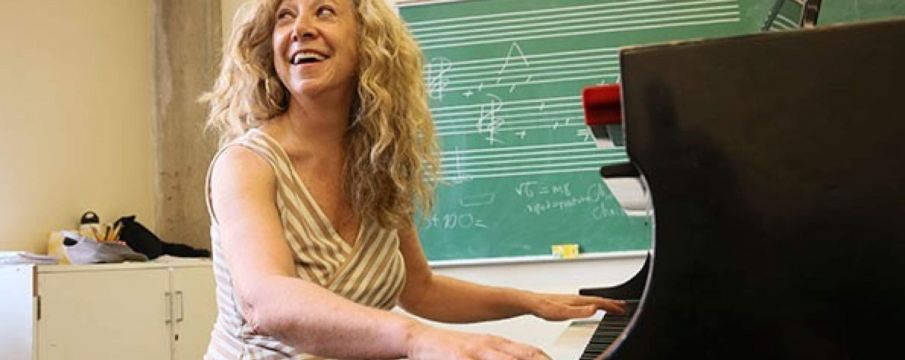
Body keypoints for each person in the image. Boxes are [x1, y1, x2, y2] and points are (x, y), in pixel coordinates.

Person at [201, 0, 626, 359]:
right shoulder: (246, 164)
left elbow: (419, 288)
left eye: (324, 11)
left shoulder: (378, 163)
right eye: (284, 16)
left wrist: (529, 302)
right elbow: (265, 299)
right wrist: (419, 339)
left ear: (367, 40)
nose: (300, 29)